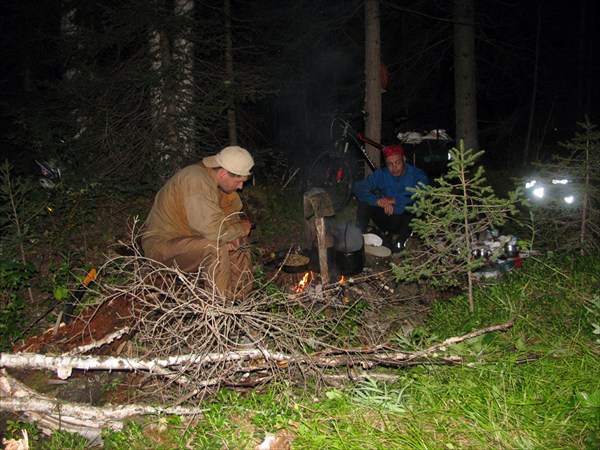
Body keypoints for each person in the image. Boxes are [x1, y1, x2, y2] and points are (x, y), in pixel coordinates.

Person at [142, 146, 255, 301]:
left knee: (239, 243)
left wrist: (235, 235)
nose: (241, 187)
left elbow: (229, 218)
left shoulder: (218, 184)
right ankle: (220, 314)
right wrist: (240, 229)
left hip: (192, 241)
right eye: (238, 181)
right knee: (214, 248)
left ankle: (240, 304)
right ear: (222, 173)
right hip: (163, 247)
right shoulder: (195, 178)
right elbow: (213, 231)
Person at [353, 144, 429, 251]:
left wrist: (395, 200)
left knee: (412, 205)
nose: (394, 168)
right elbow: (359, 188)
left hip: (406, 220)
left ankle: (401, 242)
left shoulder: (416, 174)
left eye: (398, 163)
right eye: (390, 164)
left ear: (404, 159)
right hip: (388, 216)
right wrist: (377, 201)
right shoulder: (382, 174)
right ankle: (358, 240)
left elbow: (423, 190)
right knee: (365, 203)